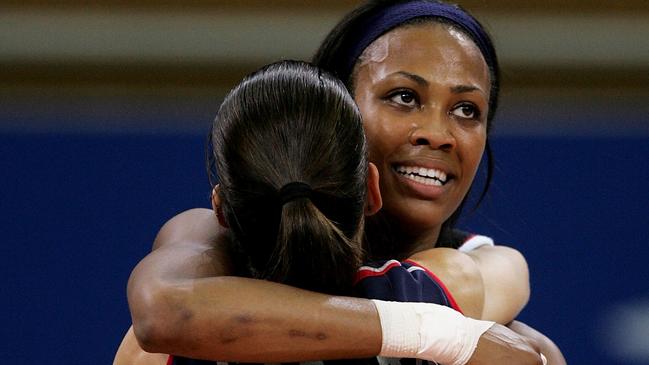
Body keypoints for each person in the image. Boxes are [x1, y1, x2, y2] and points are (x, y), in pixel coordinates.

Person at [122, 0, 565, 364]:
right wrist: (442, 332)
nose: (438, 132)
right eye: (404, 97)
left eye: (467, 109)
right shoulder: (209, 242)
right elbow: (164, 312)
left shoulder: (487, 268)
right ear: (339, 112)